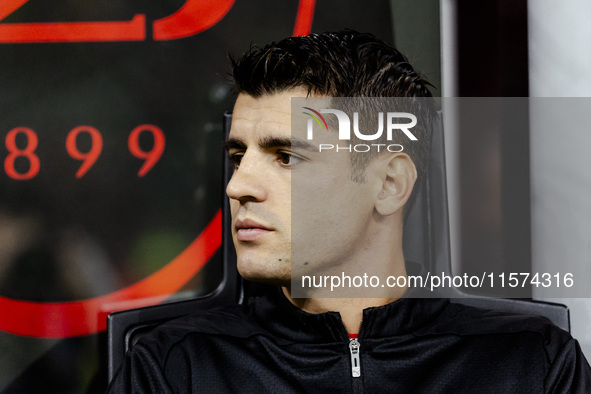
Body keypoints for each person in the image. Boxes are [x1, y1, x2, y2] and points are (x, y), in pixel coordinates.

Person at [107, 31, 591, 393]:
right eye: (238, 157)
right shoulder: (176, 368)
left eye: (286, 156)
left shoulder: (530, 364)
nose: (238, 186)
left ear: (388, 184)